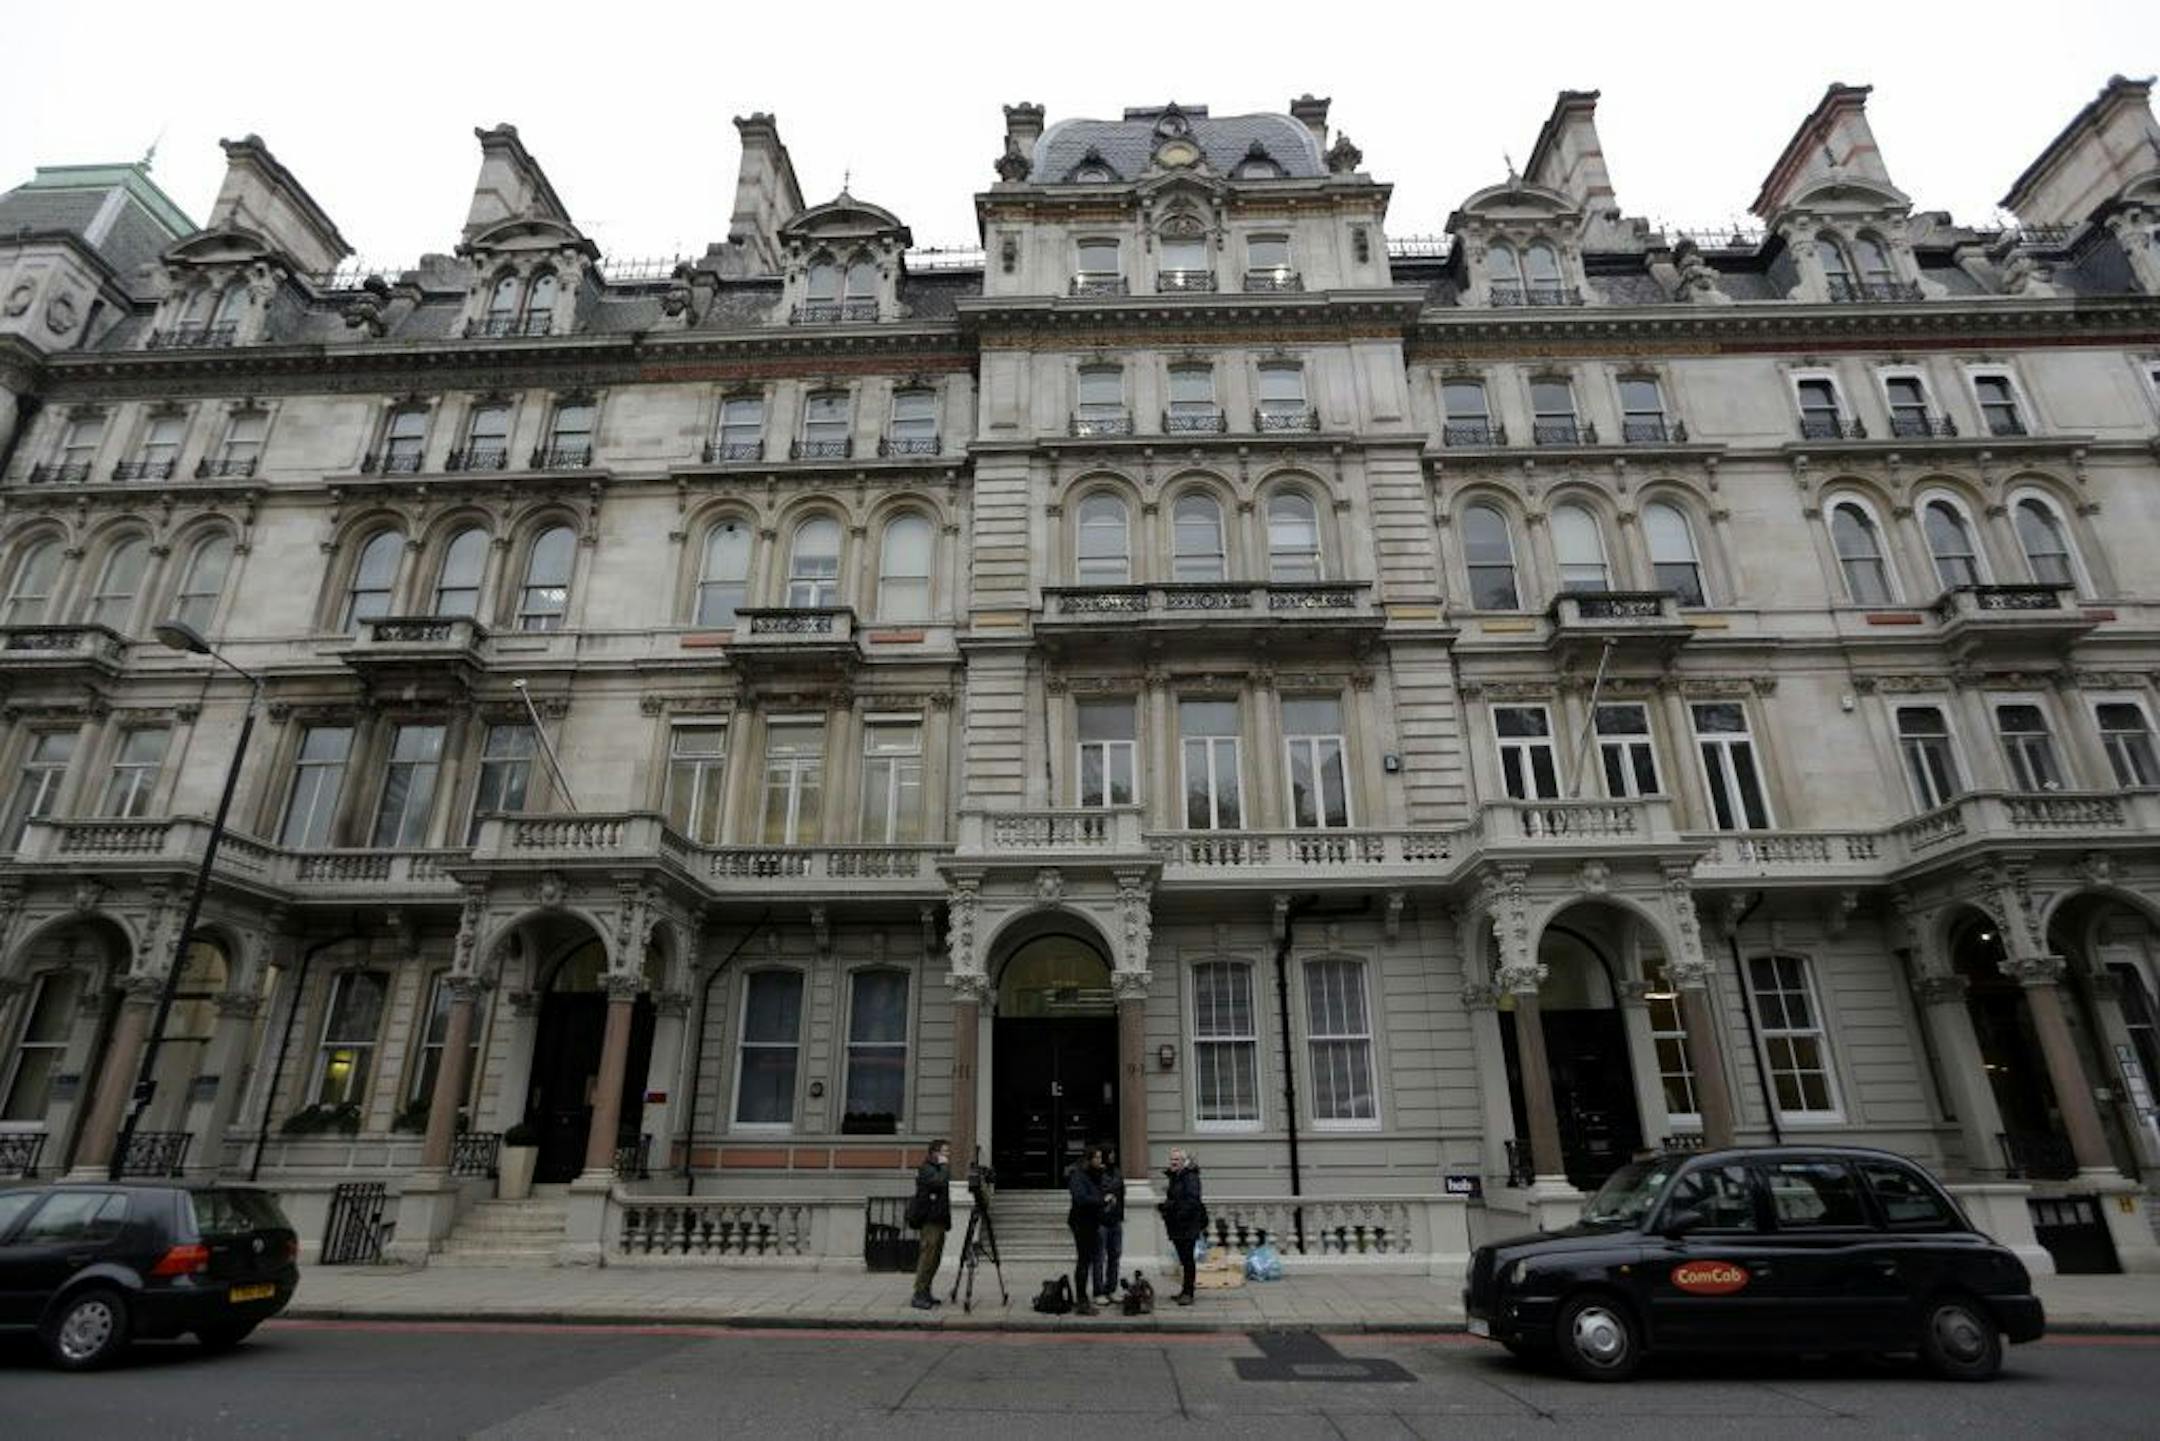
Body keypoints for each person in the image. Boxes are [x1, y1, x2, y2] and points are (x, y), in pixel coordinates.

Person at [907, 1138, 952, 1311]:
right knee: (927, 1256)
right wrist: (945, 1166)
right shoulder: (927, 1168)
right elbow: (939, 1182)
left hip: (939, 1219)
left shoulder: (939, 1168)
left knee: (935, 1258)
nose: (948, 1155)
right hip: (930, 1220)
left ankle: (926, 1291)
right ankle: (918, 1293)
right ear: (935, 1153)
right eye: (945, 1152)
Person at [1160, 1147, 1207, 1306]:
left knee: (1187, 1259)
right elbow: (1176, 1198)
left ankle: (1188, 1292)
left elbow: (1192, 1201)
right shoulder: (1176, 1177)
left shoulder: (1190, 1177)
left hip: (1187, 1225)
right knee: (1183, 1258)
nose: (1173, 1162)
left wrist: (1176, 1213)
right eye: (1172, 1160)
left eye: (1177, 1160)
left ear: (1184, 1161)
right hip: (1178, 1225)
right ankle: (1184, 1291)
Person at [1066, 1144, 1107, 1316]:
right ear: (1089, 1159)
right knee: (1083, 1262)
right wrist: (1102, 1200)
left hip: (1092, 1222)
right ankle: (1082, 1301)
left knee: (1089, 1260)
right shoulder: (1078, 1176)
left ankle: (1084, 1298)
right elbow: (1081, 1198)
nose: (1100, 1160)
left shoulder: (1094, 1175)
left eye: (1100, 1157)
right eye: (1097, 1157)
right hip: (1082, 1223)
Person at [1092, 1144, 1126, 1302]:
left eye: (1114, 1153)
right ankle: (1098, 1291)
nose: (1113, 1156)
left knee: (1115, 1255)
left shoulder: (1117, 1172)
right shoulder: (1098, 1173)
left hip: (1115, 1219)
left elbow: (1121, 1193)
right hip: (1101, 1220)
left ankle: (1111, 1288)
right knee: (1099, 1257)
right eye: (1110, 1153)